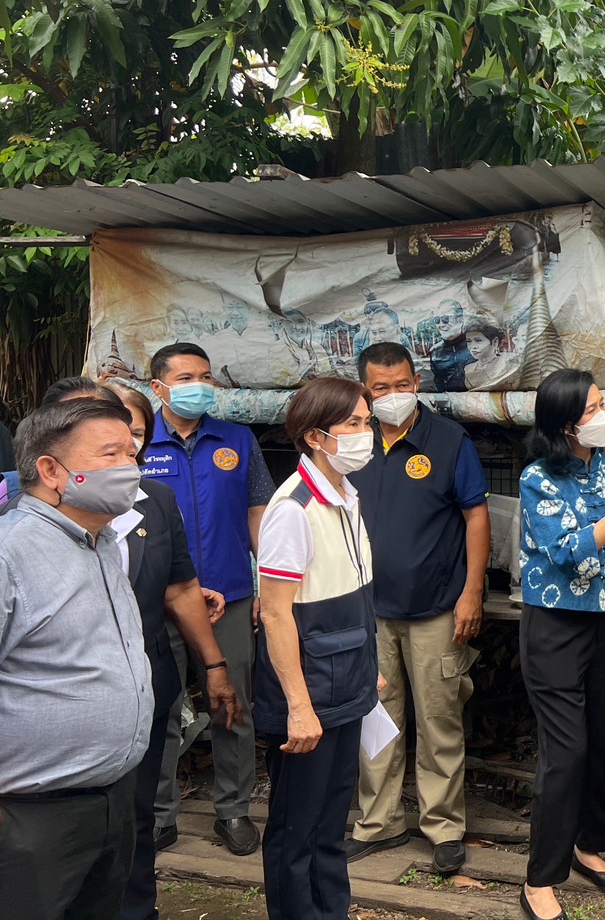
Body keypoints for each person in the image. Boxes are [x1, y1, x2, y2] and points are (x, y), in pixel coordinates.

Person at [35, 379, 242, 920]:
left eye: (130, 441)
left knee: (134, 822)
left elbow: (178, 587)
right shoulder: (24, 534)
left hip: (144, 694)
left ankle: (137, 908)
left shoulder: (143, 508)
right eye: (106, 445)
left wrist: (214, 666)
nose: (126, 453)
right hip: (55, 726)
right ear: (50, 457)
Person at [0, 399, 154, 919]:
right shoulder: (10, 553)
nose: (130, 467)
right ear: (50, 470)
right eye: (111, 454)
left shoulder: (103, 541)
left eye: (132, 452)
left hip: (111, 798)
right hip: (31, 817)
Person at [518, 369, 605, 920]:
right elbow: (569, 552)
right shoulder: (536, 478)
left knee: (604, 738)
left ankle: (589, 844)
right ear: (564, 423)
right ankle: (540, 879)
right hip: (555, 625)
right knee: (566, 751)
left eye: (604, 404)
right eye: (594, 408)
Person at [346, 342, 491, 875]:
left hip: (436, 609)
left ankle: (443, 826)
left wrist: (471, 592)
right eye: (380, 388)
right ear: (365, 389)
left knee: (439, 721)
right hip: (369, 610)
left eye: (401, 384)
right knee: (376, 720)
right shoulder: (352, 443)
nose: (392, 396)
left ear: (417, 384)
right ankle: (379, 822)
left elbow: (476, 517)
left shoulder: (448, 441)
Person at [255, 376, 381, 920]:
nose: (365, 433)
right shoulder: (293, 508)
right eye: (351, 424)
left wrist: (367, 672)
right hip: (309, 694)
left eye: (366, 421)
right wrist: (298, 707)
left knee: (332, 823)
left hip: (347, 683)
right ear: (314, 436)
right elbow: (276, 611)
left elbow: (349, 598)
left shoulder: (348, 496)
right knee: (295, 830)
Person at [143, 342, 275, 856]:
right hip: (158, 601)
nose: (200, 385)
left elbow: (258, 512)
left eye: (205, 376)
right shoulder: (138, 444)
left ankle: (233, 811)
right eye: (186, 377)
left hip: (233, 597)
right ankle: (158, 815)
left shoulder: (238, 440)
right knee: (161, 707)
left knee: (232, 706)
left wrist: (266, 583)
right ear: (158, 387)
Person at [430, 299, 474, 392]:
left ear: (460, 319)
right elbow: (438, 383)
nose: (441, 325)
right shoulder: (435, 352)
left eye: (446, 319)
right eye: (437, 320)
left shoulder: (475, 344)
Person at [462, 319, 516, 390]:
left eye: (478, 340)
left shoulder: (508, 363)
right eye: (469, 341)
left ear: (495, 342)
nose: (472, 346)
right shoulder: (468, 369)